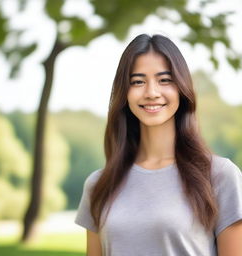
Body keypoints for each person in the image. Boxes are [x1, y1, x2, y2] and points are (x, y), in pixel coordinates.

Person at [74, 34, 242, 256]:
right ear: (124, 92)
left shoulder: (219, 175)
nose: (151, 92)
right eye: (138, 81)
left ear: (182, 89)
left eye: (164, 80)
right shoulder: (98, 185)